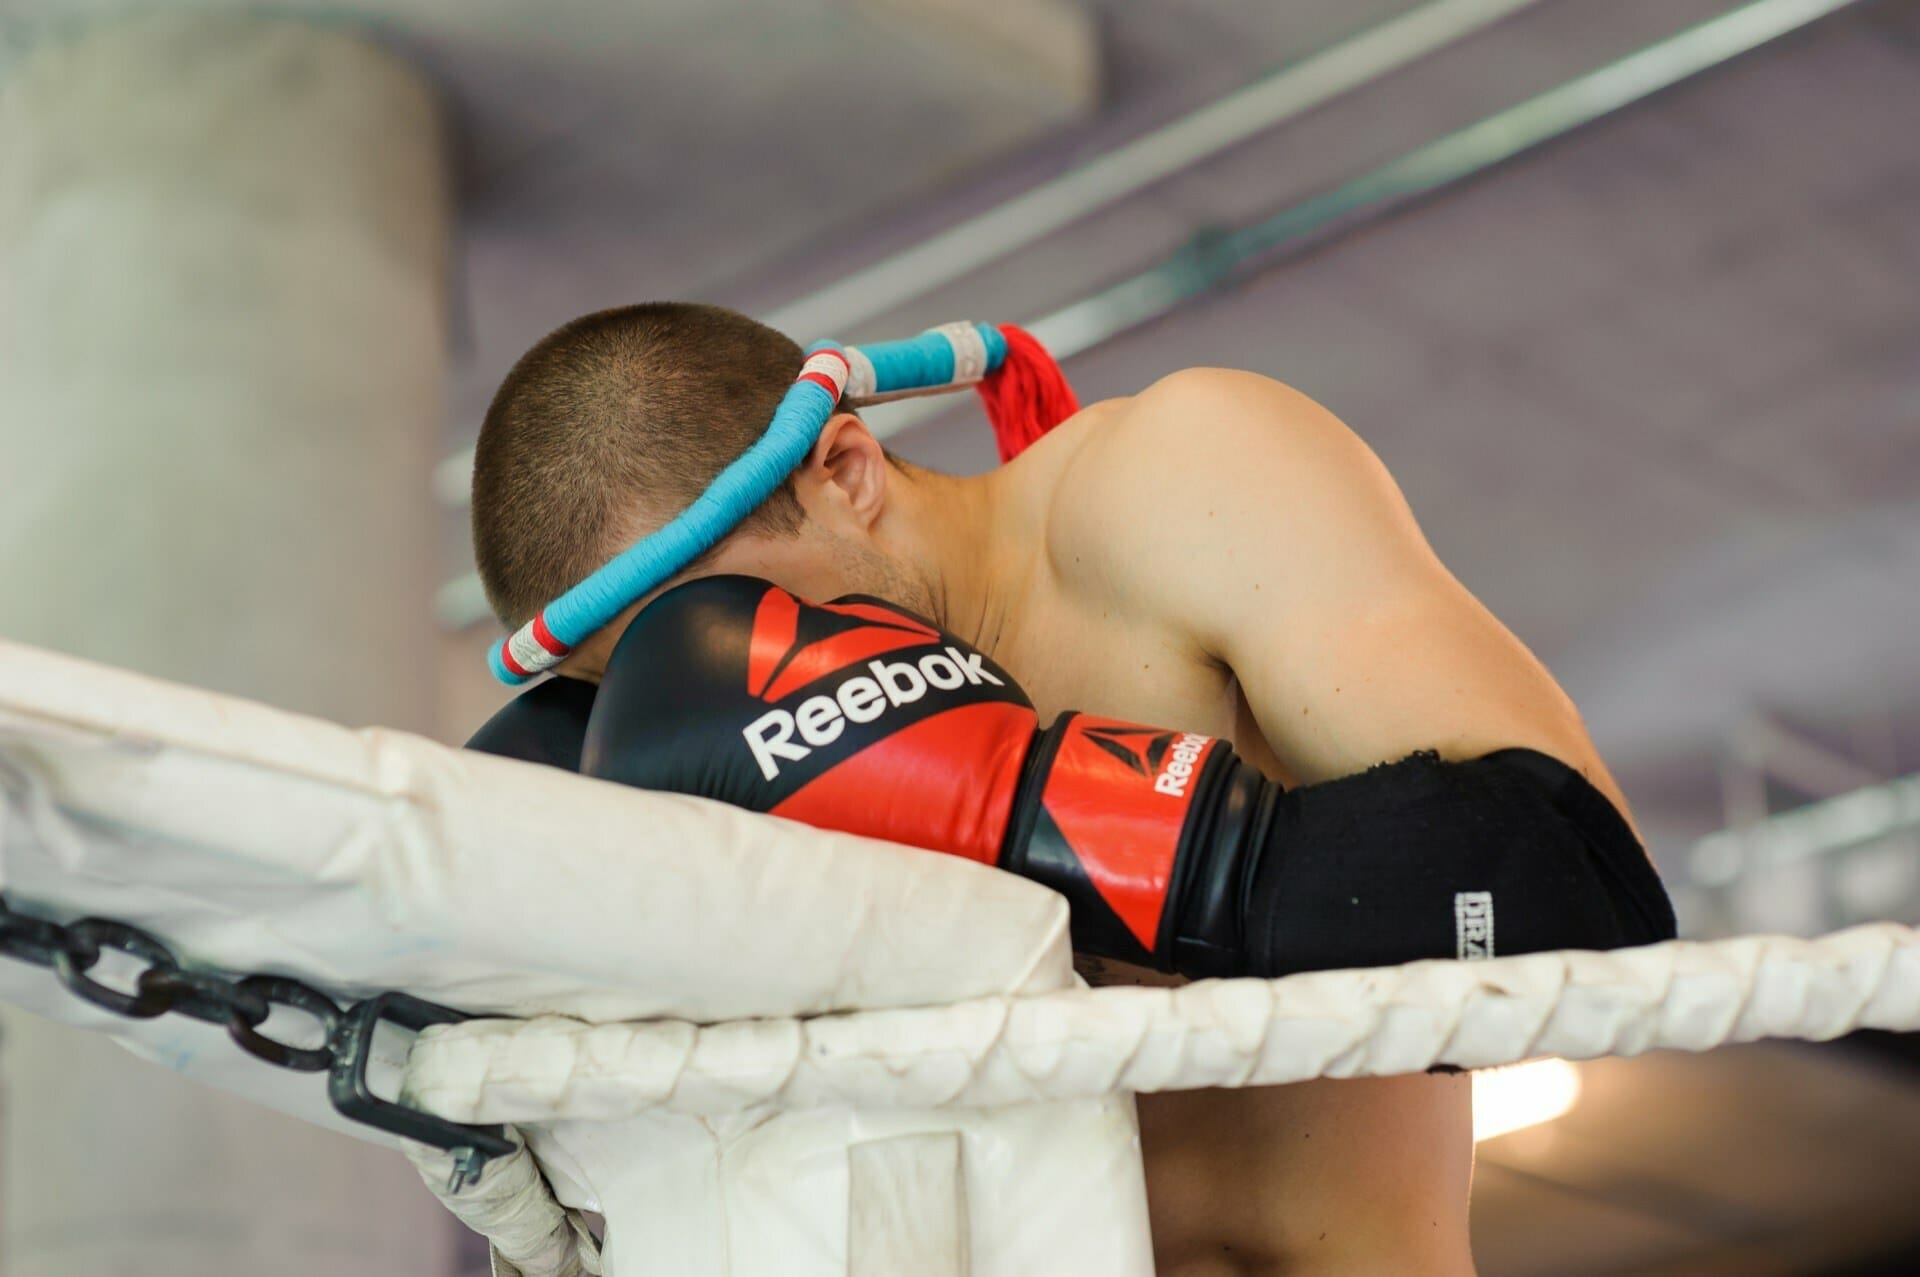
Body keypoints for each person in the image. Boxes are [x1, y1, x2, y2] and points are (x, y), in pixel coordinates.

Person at [468, 301, 1670, 1277]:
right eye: (635, 683)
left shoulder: (1170, 484)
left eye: (720, 623)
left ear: (844, 469)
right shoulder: (683, 795)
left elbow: (1583, 893)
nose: (706, 690)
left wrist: (1050, 809)